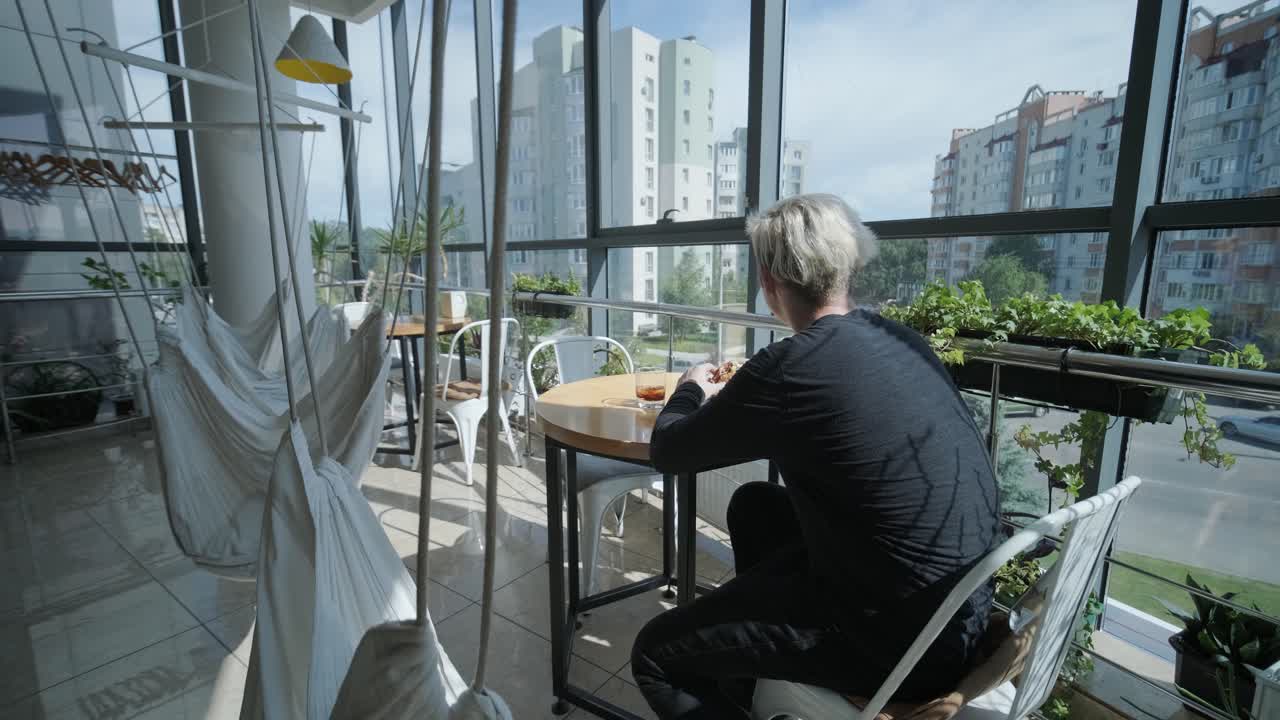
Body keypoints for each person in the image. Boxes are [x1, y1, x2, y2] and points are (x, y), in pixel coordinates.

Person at [630, 194, 1001, 719]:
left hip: (901, 647)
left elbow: (669, 450)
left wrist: (690, 388)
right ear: (847, 267)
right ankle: (752, 679)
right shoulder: (899, 340)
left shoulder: (790, 366)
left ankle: (749, 670)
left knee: (655, 655)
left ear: (768, 281)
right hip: (959, 613)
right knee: (756, 504)